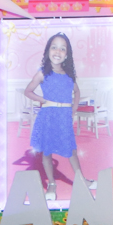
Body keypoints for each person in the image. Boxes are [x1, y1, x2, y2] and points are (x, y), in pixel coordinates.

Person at [23, 32, 85, 200]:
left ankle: (81, 180)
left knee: (71, 149)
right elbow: (28, 91)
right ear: (48, 50)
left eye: (62, 49)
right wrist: (42, 100)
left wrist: (73, 110)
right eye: (54, 47)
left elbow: (77, 92)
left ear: (67, 54)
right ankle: (51, 183)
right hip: (48, 117)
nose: (58, 51)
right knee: (47, 152)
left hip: (64, 116)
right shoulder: (43, 73)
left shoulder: (69, 74)